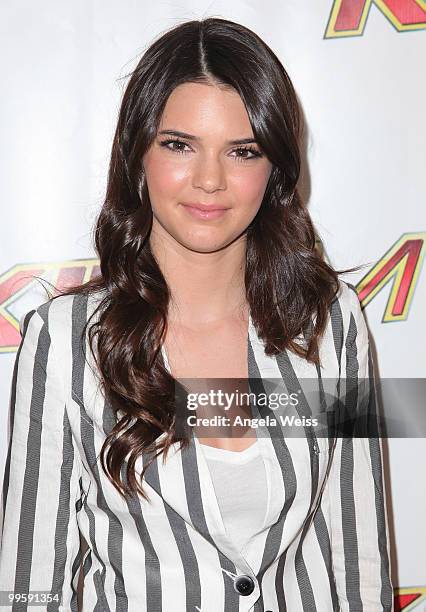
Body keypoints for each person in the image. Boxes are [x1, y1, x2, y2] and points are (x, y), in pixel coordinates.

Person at [0, 16, 393, 612]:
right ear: (138, 155)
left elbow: (359, 556)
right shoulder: (65, 340)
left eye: (242, 151)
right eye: (180, 145)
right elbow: (28, 584)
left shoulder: (331, 325)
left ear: (276, 170)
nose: (209, 180)